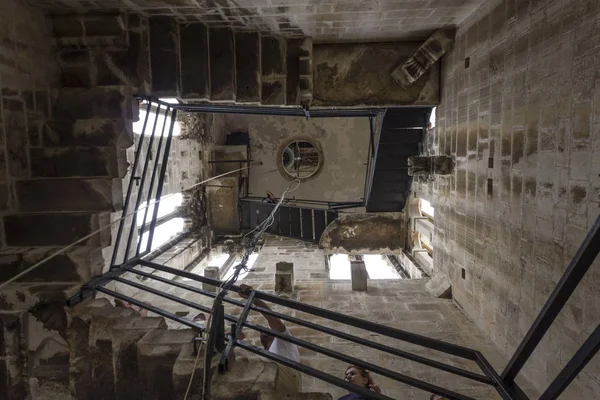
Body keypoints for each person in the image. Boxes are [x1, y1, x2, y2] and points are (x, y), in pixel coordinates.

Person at [238, 283, 301, 394]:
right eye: (261, 331)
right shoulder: (266, 353)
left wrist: (255, 299)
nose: (263, 332)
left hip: (286, 376)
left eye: (267, 330)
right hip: (270, 381)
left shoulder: (282, 341)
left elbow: (273, 319)